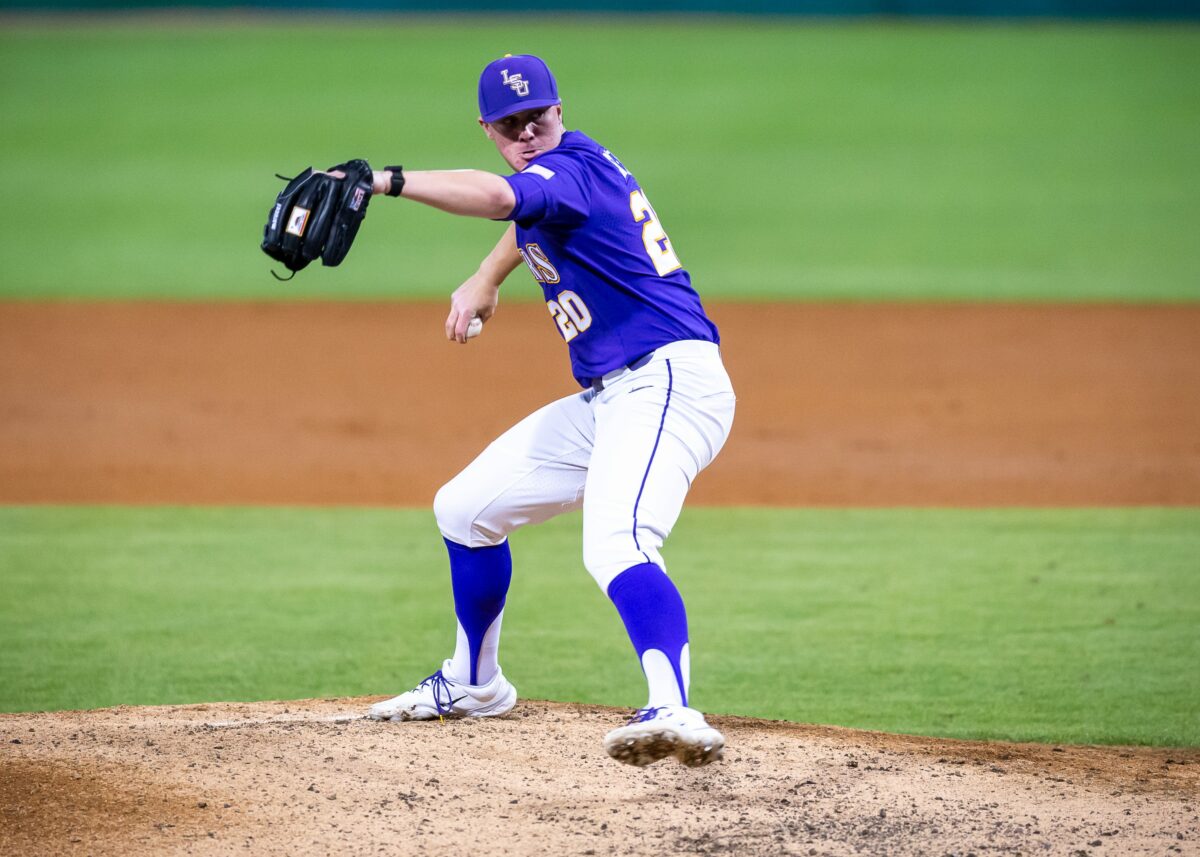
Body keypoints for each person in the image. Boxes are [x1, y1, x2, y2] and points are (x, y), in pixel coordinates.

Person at [365, 54, 736, 768]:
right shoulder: (564, 175)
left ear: (559, 109)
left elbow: (506, 199)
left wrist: (391, 181)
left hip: (668, 380)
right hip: (613, 397)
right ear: (487, 128)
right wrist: (483, 276)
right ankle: (475, 683)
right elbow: (527, 213)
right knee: (464, 507)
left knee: (617, 541)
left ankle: (675, 706)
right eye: (510, 125)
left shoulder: (568, 166)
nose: (528, 131)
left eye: (538, 115)